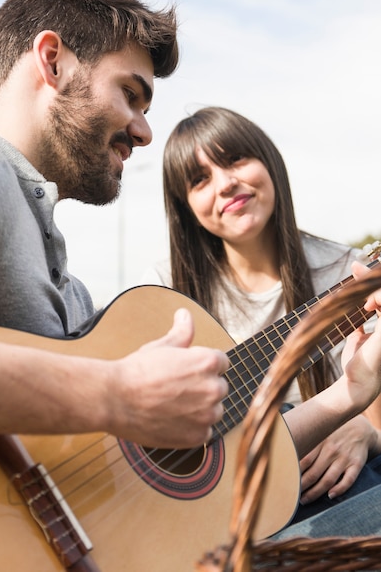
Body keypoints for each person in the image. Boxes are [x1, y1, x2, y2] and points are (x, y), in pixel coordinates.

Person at [0, 0, 229, 449]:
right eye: (130, 94)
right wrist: (115, 394)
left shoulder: (71, 290)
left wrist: (347, 395)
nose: (146, 131)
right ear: (52, 62)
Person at [141, 105, 381, 519]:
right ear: (186, 208)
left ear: (269, 162)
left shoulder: (351, 273)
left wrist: (368, 431)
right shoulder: (166, 290)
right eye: (200, 180)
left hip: (318, 485)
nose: (225, 183)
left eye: (235, 159)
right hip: (209, 507)